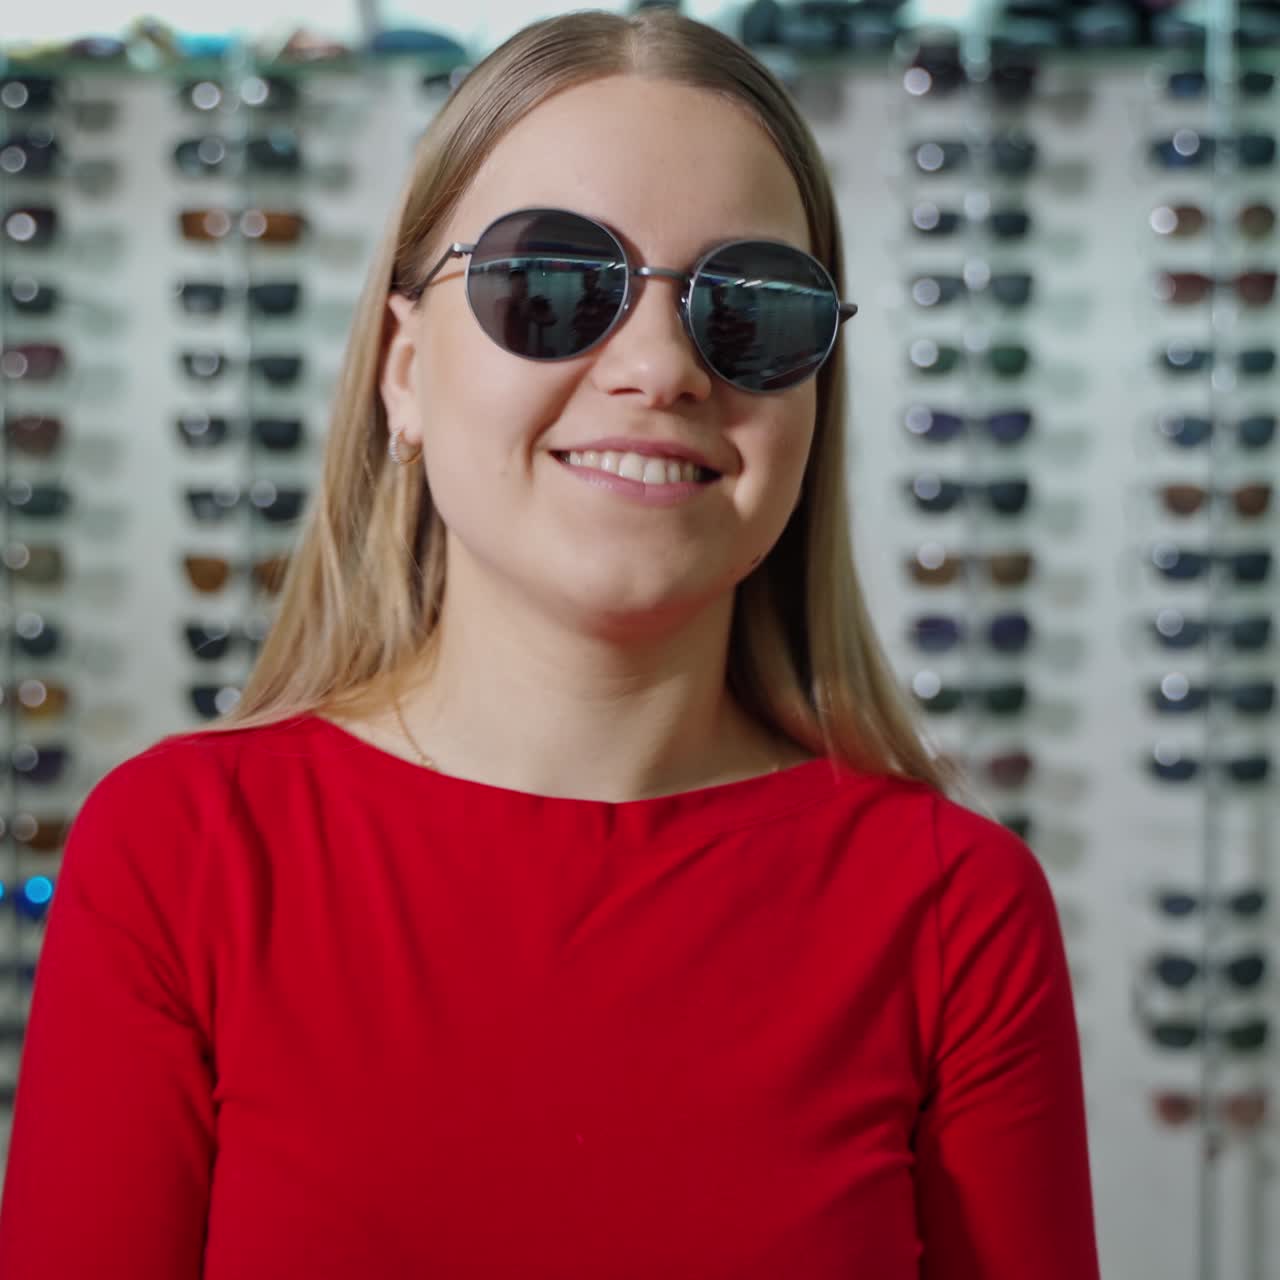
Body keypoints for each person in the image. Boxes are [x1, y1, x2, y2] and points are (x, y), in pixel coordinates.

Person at [0, 10, 1100, 1280]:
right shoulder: (183, 859)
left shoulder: (953, 912)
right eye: (554, 283)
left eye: (747, 308)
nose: (658, 365)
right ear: (404, 371)